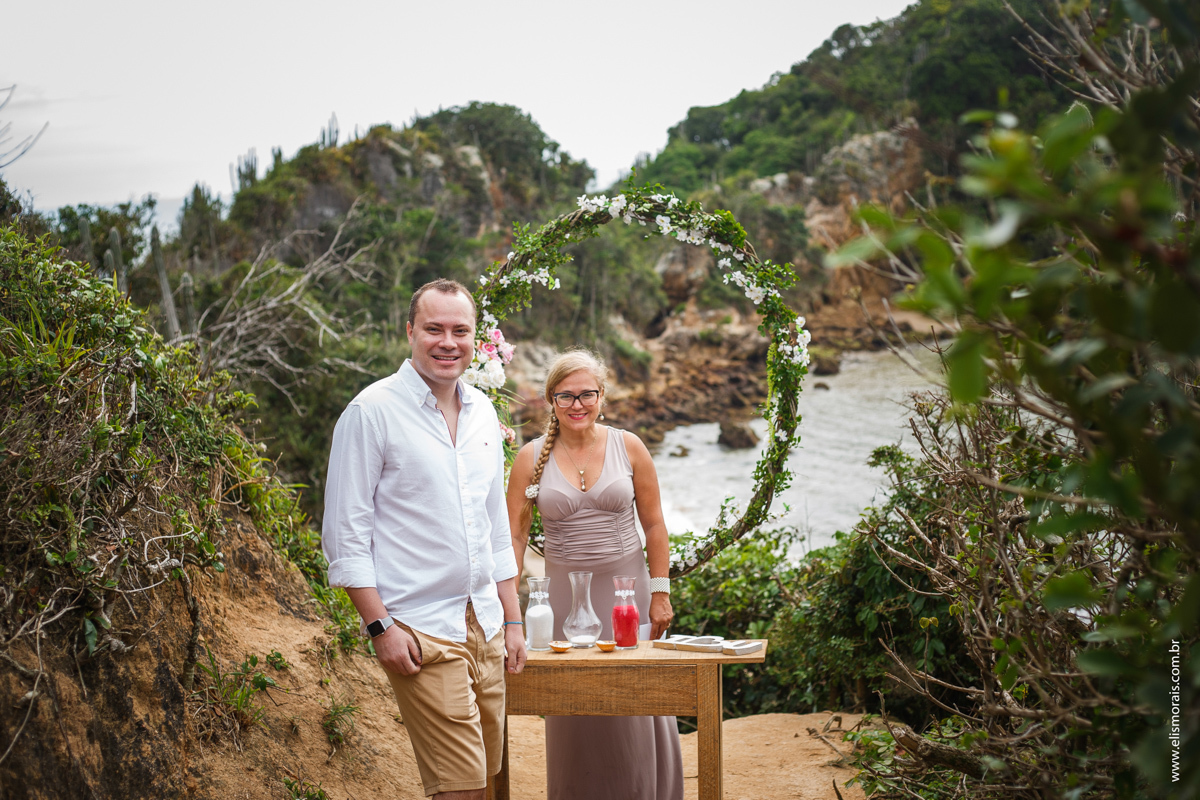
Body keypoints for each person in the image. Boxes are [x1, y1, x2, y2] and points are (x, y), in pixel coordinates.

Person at [322, 278, 526, 800]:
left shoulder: (482, 411)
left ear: (475, 339)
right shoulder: (371, 412)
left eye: (460, 331)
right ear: (410, 330)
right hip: (419, 629)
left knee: (488, 777)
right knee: (458, 789)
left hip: (485, 623)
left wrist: (513, 619)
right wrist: (380, 627)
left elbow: (494, 528)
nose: (447, 342)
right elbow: (346, 534)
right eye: (434, 328)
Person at [506, 350, 683, 800]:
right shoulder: (530, 459)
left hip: (627, 593)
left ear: (602, 396)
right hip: (563, 599)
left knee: (634, 707)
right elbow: (514, 538)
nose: (577, 404)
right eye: (566, 395)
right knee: (574, 712)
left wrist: (659, 594)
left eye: (587, 393)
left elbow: (656, 525)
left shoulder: (630, 447)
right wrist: (508, 610)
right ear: (551, 400)